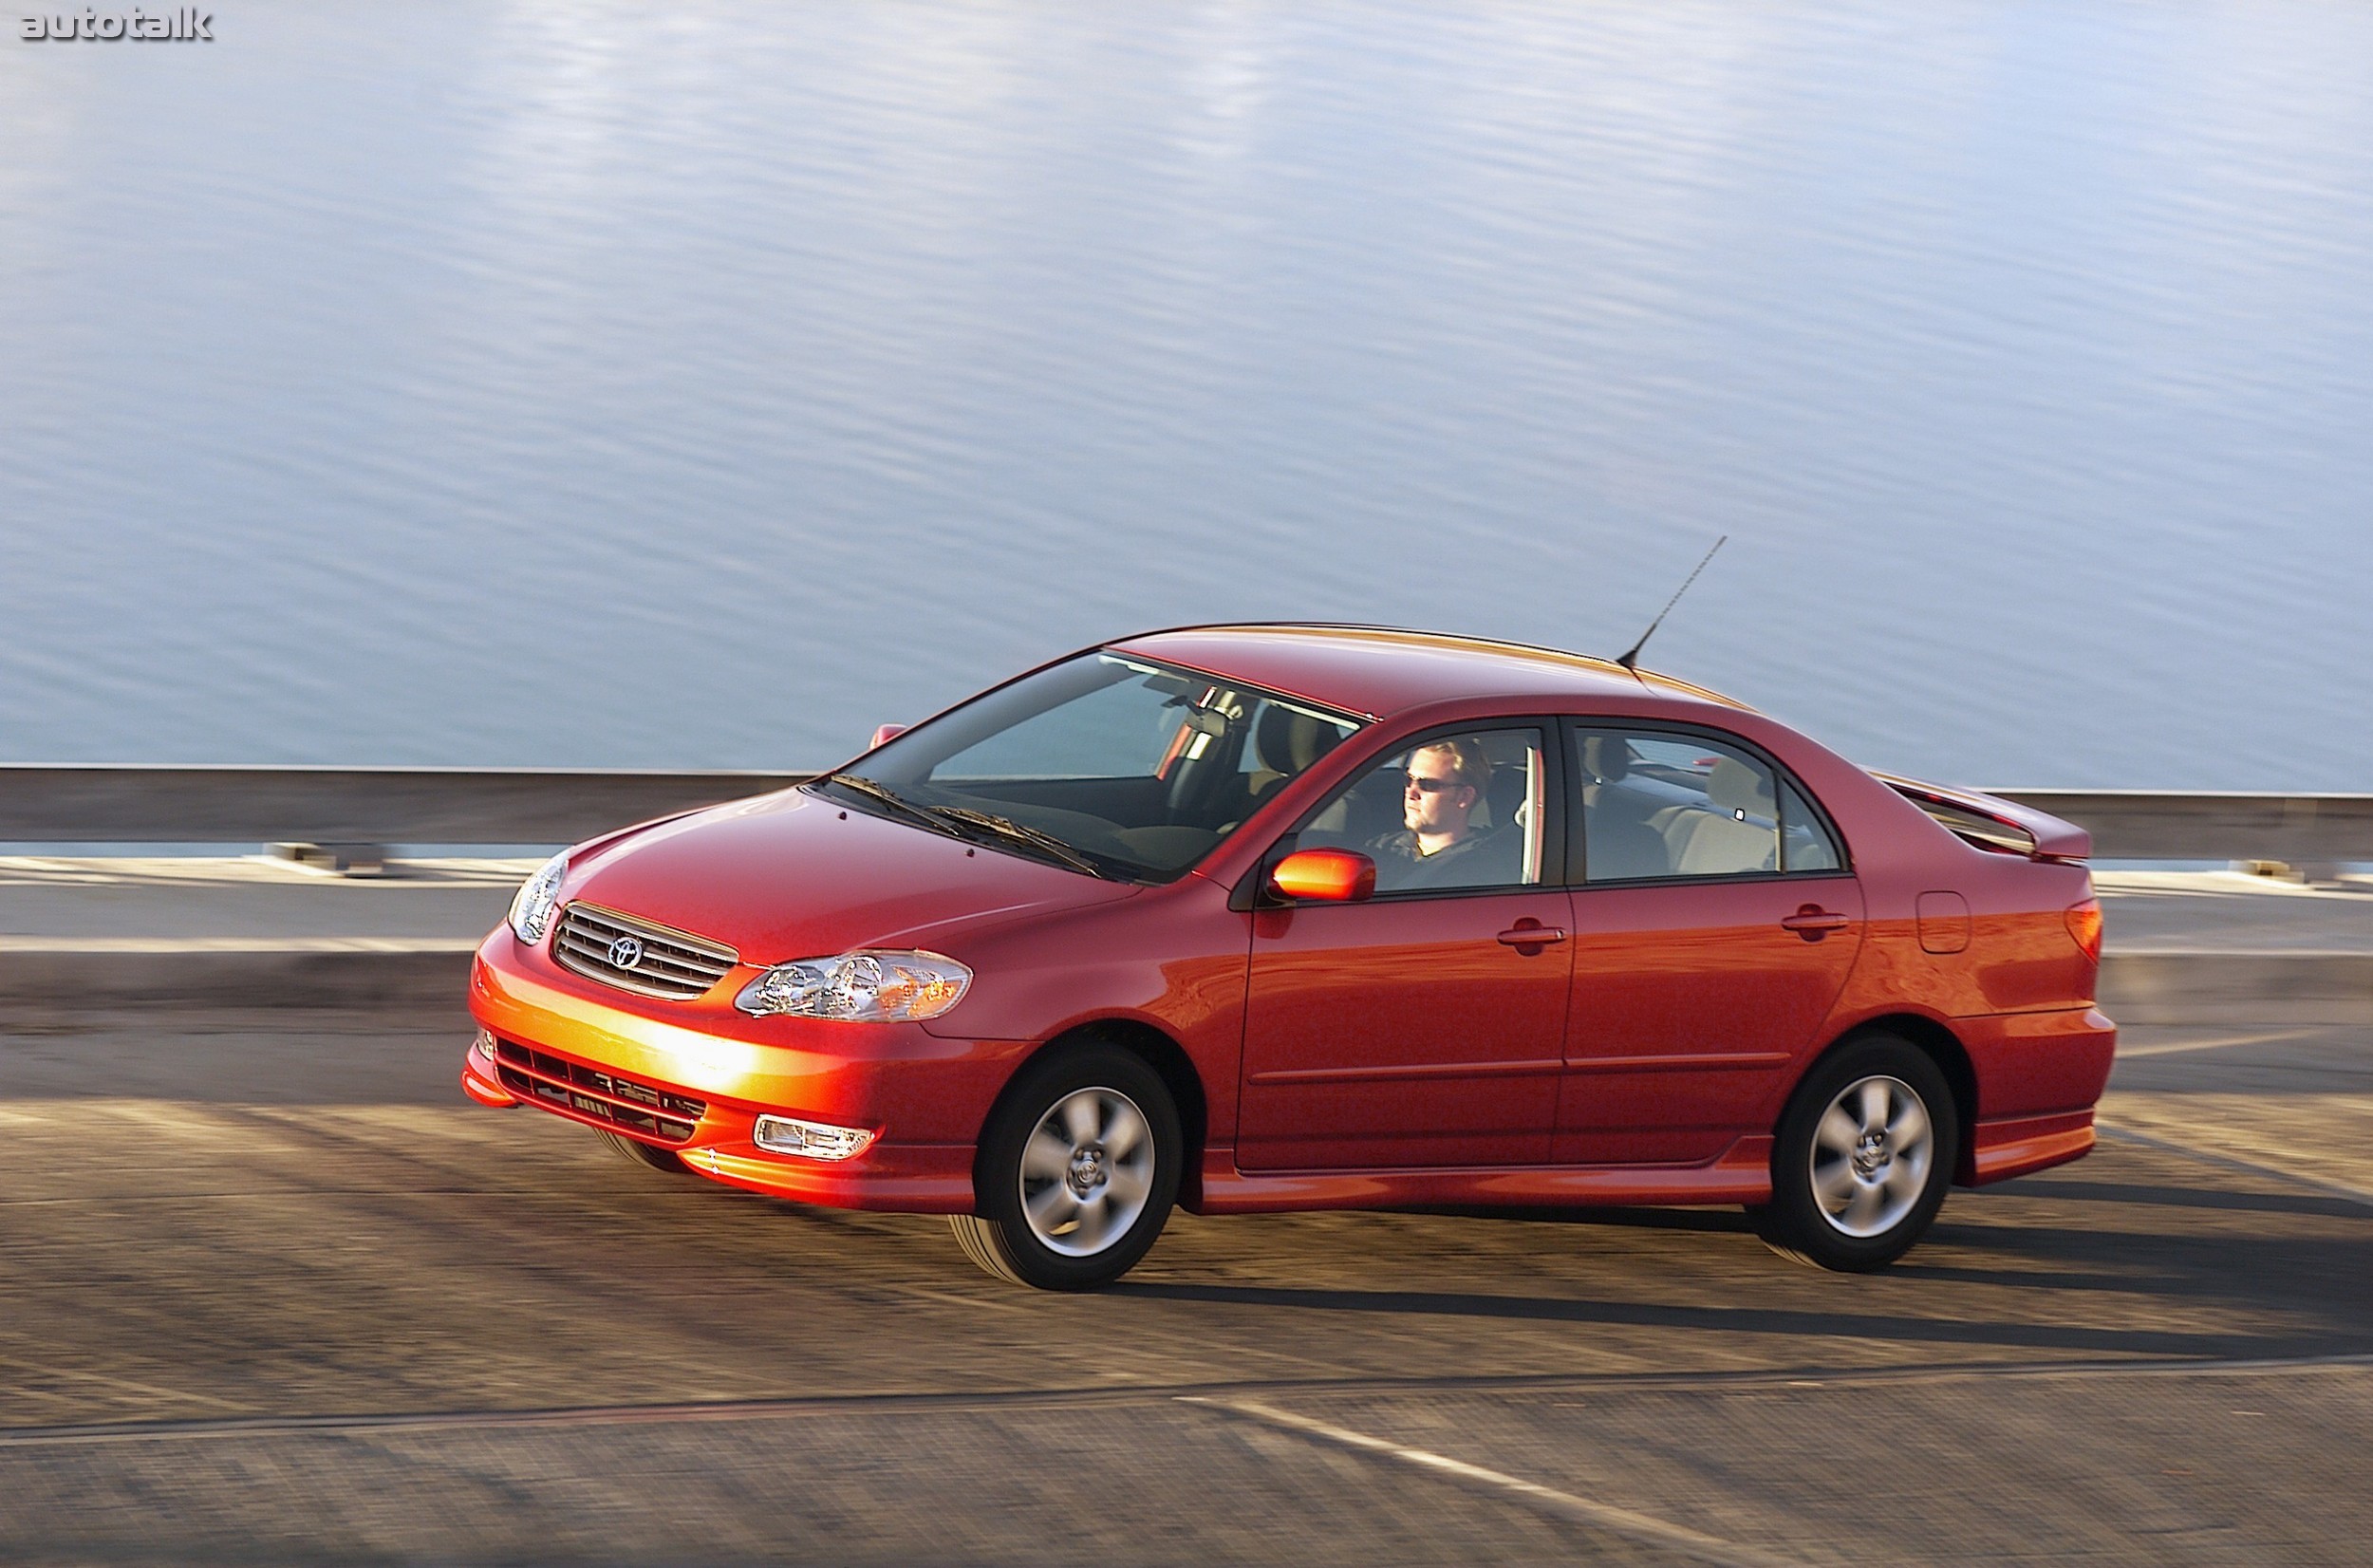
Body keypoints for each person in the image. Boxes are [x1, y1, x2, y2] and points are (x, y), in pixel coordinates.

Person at [1366, 737, 1514, 890]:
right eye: (1408, 780)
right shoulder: (1380, 848)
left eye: (1428, 785)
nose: (1411, 792)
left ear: (1464, 797)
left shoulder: (1481, 873)